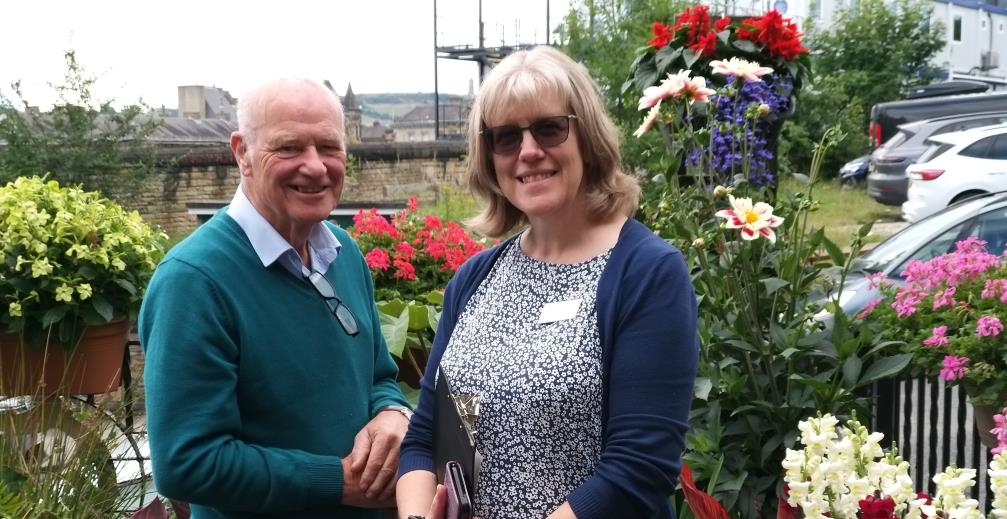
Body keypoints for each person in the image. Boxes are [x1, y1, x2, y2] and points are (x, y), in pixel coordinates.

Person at [395, 46, 699, 519]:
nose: (529, 151)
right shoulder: (476, 279)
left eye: (549, 128)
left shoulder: (645, 273)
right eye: (506, 137)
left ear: (587, 137)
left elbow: (638, 470)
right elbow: (424, 437)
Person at [139, 78, 412, 519]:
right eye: (288, 148)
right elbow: (186, 462)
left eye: (329, 146)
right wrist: (337, 482)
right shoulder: (194, 281)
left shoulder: (343, 253)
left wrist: (393, 413)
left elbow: (378, 375)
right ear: (241, 152)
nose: (315, 166)